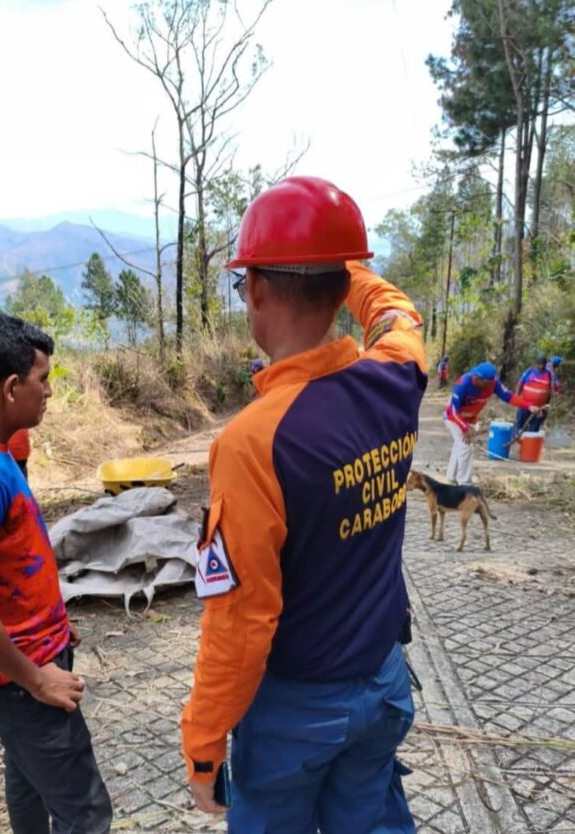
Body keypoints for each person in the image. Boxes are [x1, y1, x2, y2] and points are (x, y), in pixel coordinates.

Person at [181, 176, 426, 834]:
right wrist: (344, 268)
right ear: (338, 287)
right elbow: (398, 314)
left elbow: (240, 625)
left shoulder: (252, 443)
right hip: (382, 681)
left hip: (297, 713)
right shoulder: (397, 374)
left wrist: (204, 745)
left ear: (257, 289)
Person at [0, 313, 112, 834]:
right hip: (17, 676)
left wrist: (50, 621)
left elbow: (6, 566)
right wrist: (36, 678)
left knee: (28, 780)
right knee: (87, 811)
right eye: (43, 379)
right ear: (11, 388)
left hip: (27, 653)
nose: (49, 391)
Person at [443, 362, 538, 483]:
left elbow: (508, 397)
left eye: (480, 379)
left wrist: (528, 406)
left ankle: (450, 478)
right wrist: (464, 428)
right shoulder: (463, 383)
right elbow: (453, 410)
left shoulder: (493, 383)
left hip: (469, 419)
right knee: (466, 446)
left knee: (459, 446)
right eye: (476, 377)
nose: (475, 379)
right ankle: (463, 482)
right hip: (453, 417)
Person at [514, 356, 552, 434]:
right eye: (539, 364)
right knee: (519, 426)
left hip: (539, 407)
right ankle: (518, 441)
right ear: (536, 364)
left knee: (534, 429)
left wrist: (546, 407)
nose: (541, 366)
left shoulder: (548, 374)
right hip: (525, 404)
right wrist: (517, 398)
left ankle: (530, 444)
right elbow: (520, 384)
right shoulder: (529, 372)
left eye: (543, 364)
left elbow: (549, 392)